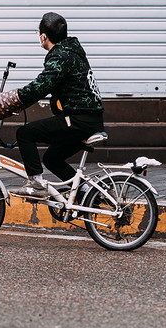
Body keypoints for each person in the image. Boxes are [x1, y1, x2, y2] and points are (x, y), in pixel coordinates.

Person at [11, 12, 105, 198]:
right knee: (51, 159)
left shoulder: (60, 56)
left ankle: (36, 184)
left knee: (25, 133)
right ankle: (87, 192)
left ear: (44, 36)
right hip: (89, 119)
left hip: (78, 120)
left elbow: (41, 86)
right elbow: (47, 86)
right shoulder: (71, 51)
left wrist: (13, 99)